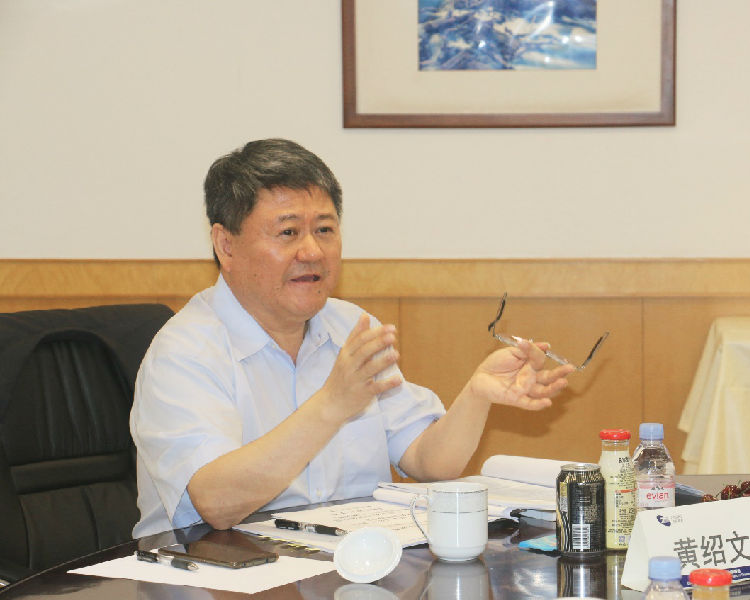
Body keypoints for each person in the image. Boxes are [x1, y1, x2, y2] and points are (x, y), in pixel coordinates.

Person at [130, 138, 574, 537]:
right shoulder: (184, 352)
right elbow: (216, 503)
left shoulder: (350, 327)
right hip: (214, 575)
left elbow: (429, 462)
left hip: (344, 570)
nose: (312, 251)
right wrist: (332, 404)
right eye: (288, 233)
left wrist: (477, 396)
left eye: (324, 230)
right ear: (225, 245)